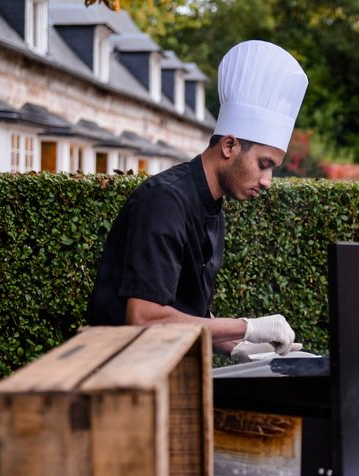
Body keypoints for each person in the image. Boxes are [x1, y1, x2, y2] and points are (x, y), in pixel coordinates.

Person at [86, 40, 309, 361]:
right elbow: (144, 319)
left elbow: (182, 316)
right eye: (264, 164)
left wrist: (238, 347)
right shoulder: (164, 201)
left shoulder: (210, 207)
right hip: (120, 375)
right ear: (230, 146)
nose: (267, 181)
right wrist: (246, 327)